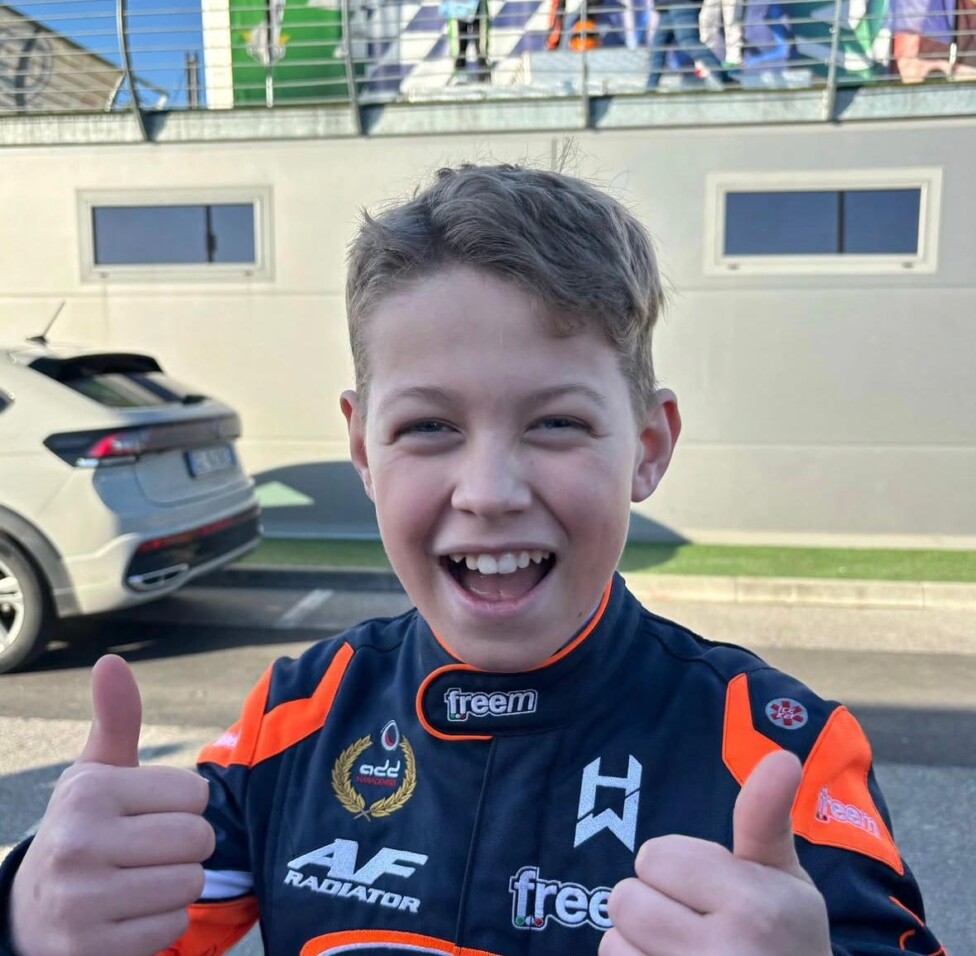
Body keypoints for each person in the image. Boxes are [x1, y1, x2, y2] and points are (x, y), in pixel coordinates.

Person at [0, 163, 946, 956]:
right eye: (429, 427)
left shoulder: (785, 750)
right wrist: (26, 918)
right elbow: (120, 920)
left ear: (648, 447)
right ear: (363, 449)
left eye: (558, 423)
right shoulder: (294, 716)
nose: (489, 491)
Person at [647, 0, 727, 89]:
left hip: (681, 3)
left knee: (689, 42)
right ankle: (650, 87)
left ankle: (726, 79)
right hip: (668, 5)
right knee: (659, 47)